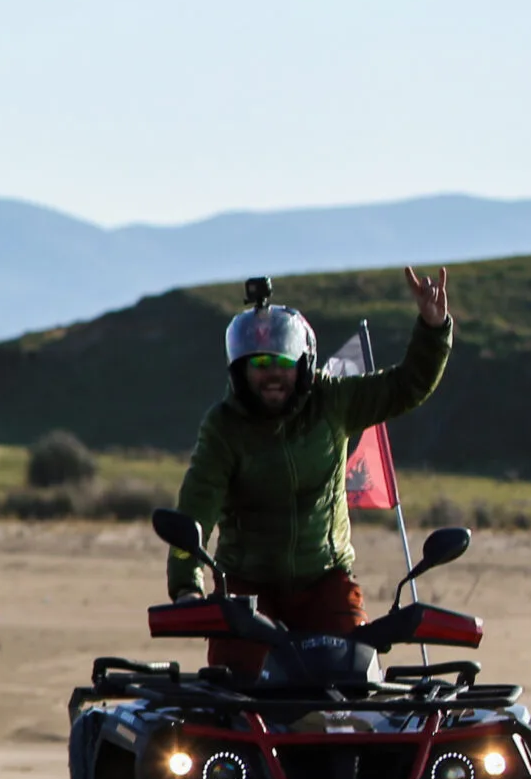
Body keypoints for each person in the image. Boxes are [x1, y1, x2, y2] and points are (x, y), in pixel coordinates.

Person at [169, 268, 452, 674]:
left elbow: (407, 385)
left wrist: (433, 327)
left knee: (353, 683)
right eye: (259, 362)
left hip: (325, 583)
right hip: (247, 589)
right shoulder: (224, 426)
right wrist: (186, 586)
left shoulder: (332, 401)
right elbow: (193, 515)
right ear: (240, 369)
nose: (271, 374)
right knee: (234, 696)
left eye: (282, 361)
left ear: (302, 362)